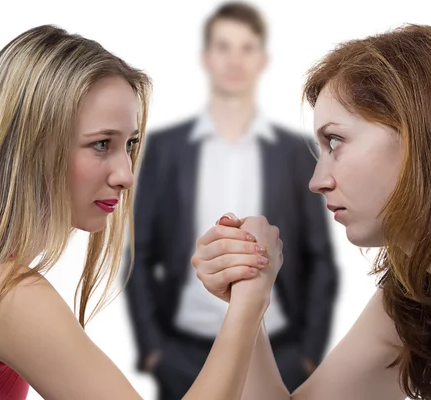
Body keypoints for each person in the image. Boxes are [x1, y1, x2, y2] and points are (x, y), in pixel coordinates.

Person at [0, 24, 284, 400]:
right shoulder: (1, 293)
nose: (126, 175)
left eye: (129, 144)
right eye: (101, 144)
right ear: (32, 148)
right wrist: (250, 301)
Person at [191, 23, 431, 400]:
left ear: (423, 134)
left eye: (335, 141)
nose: (317, 181)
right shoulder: (422, 294)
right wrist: (248, 292)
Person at [124, 2, 337, 398]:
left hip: (277, 351)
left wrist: (307, 355)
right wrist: (155, 351)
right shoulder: (165, 150)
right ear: (206, 58)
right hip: (184, 352)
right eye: (224, 46)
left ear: (262, 59)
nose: (235, 59)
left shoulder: (297, 152)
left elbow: (319, 258)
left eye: (246, 47)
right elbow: (138, 253)